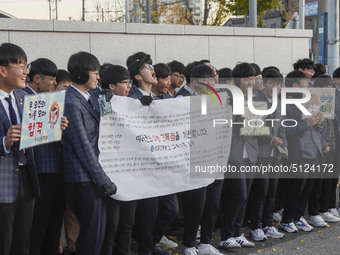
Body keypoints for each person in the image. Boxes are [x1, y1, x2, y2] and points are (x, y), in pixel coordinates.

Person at [62, 51, 117, 255]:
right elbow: (83, 147)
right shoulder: (71, 103)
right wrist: (104, 180)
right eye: (95, 73)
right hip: (83, 179)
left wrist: (106, 101)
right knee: (91, 235)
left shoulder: (88, 96)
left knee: (99, 233)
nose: (98, 77)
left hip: (94, 177)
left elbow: (107, 125)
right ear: (80, 76)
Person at [177, 64, 224, 255]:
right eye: (206, 83)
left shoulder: (215, 99)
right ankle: (189, 245)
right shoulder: (182, 99)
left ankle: (205, 242)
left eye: (212, 81)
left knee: (213, 203)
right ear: (195, 83)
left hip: (214, 158)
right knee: (196, 205)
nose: (211, 85)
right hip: (194, 160)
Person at [23, 58, 67, 255]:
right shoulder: (21, 97)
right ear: (37, 78)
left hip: (59, 169)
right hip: (39, 170)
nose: (53, 83)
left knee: (54, 224)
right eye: (51, 79)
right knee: (38, 225)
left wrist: (61, 125)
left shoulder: (54, 99)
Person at [0, 42, 40, 255]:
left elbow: (35, 136)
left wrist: (53, 126)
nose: (26, 72)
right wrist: (3, 142)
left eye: (27, 66)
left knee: (22, 243)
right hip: (3, 182)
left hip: (26, 176)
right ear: (2, 70)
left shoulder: (25, 97)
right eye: (21, 66)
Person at [127, 52, 169, 255]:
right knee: (145, 213)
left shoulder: (159, 99)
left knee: (169, 208)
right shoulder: (128, 99)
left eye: (152, 66)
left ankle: (148, 245)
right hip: (139, 167)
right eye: (147, 67)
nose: (153, 70)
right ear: (137, 76)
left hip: (159, 163)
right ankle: (145, 248)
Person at [219, 63, 258, 250]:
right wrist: (240, 122)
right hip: (233, 153)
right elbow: (221, 125)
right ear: (236, 80)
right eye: (245, 79)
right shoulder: (227, 98)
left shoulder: (253, 98)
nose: (249, 83)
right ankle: (226, 235)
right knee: (238, 194)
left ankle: (236, 232)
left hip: (250, 152)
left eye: (252, 79)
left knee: (245, 196)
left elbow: (259, 126)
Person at [280, 70, 324, 233]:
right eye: (305, 83)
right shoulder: (286, 103)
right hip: (299, 151)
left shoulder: (310, 100)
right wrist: (308, 123)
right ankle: (287, 218)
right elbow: (284, 129)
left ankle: (298, 217)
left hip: (314, 149)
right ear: (295, 86)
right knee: (297, 187)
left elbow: (318, 127)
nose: (308, 85)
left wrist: (319, 122)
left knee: (308, 187)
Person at [99, 64, 136, 255]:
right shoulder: (102, 103)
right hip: (111, 172)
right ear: (111, 86)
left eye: (130, 82)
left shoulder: (134, 103)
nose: (129, 86)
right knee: (111, 224)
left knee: (127, 222)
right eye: (124, 82)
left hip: (130, 172)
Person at [246, 69, 286, 241]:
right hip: (261, 153)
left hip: (275, 154)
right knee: (259, 192)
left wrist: (284, 144)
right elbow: (253, 127)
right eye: (271, 83)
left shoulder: (279, 101)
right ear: (264, 84)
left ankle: (268, 225)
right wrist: (271, 139)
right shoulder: (256, 100)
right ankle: (255, 227)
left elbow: (282, 126)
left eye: (277, 84)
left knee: (271, 191)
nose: (274, 87)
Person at [307, 75, 340, 224]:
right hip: (321, 148)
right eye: (326, 89)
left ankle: (325, 209)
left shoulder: (329, 100)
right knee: (318, 182)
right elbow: (315, 129)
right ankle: (316, 211)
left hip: (333, 146)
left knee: (330, 180)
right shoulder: (313, 102)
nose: (328, 92)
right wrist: (323, 144)